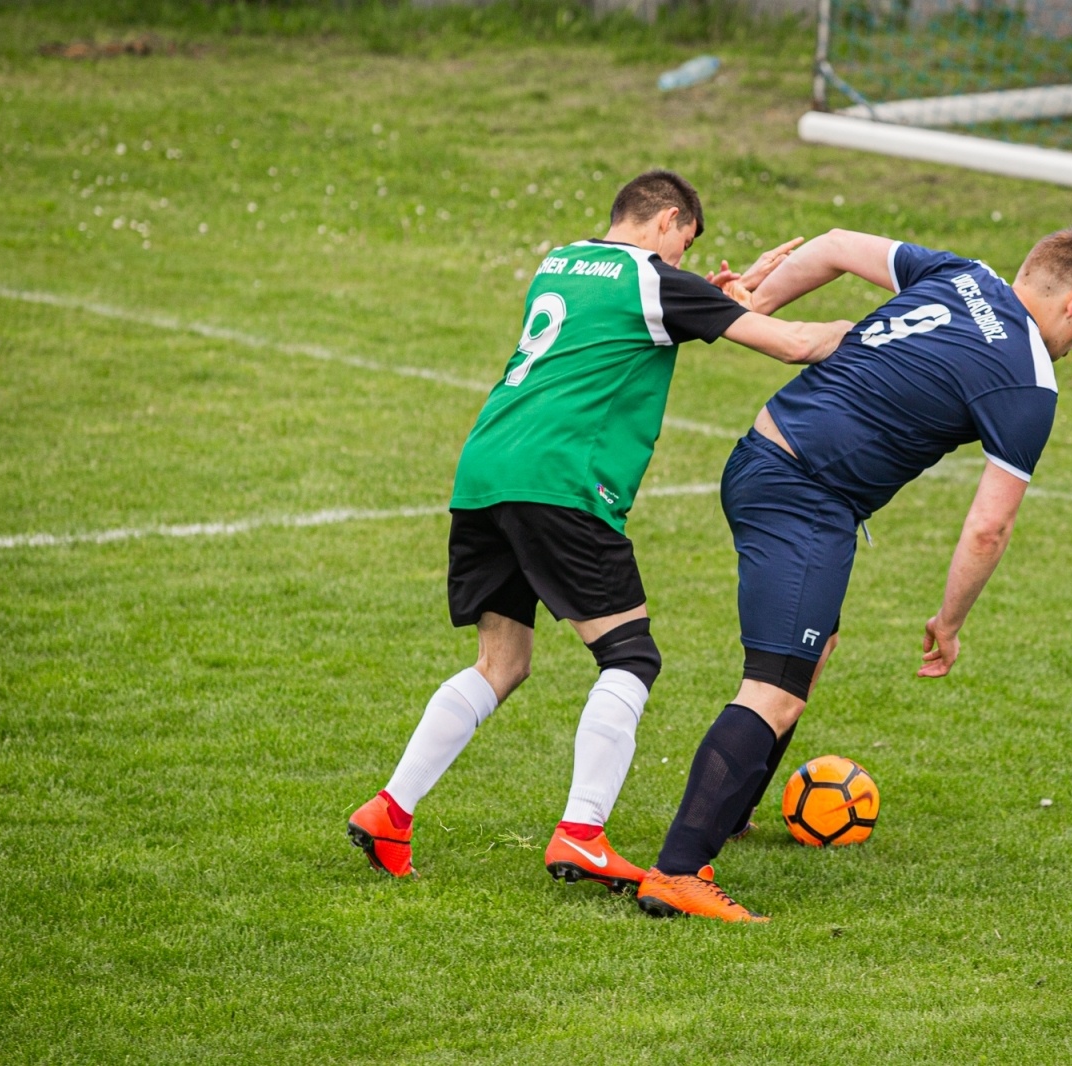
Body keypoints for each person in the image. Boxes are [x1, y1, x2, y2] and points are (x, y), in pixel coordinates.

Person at [347, 170, 851, 889]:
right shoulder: (656, 280)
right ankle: (582, 833)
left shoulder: (561, 261)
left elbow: (624, 322)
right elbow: (795, 344)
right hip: (563, 483)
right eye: (684, 244)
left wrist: (708, 296)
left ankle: (390, 812)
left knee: (501, 664)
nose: (681, 258)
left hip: (485, 472)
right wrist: (877, 336)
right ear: (667, 219)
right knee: (630, 657)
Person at [636, 226, 1072, 921]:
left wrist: (757, 303)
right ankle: (678, 873)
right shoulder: (1028, 380)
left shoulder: (962, 272)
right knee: (774, 691)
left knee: (811, 655)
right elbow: (989, 527)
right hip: (803, 494)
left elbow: (835, 243)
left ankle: (727, 814)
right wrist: (949, 622)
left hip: (764, 462)